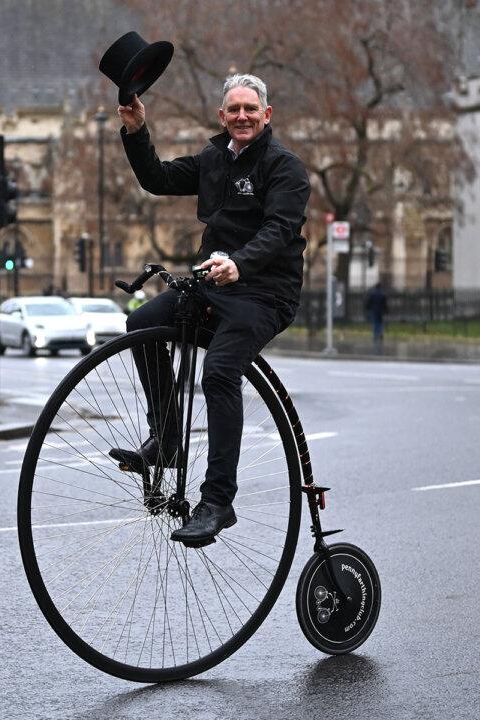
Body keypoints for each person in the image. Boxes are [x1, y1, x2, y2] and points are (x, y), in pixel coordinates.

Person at [110, 73, 311, 546]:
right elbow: (156, 178)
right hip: (212, 283)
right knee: (142, 322)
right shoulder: (214, 159)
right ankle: (168, 440)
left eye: (251, 109)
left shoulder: (286, 168)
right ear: (222, 117)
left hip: (264, 292)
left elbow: (280, 229)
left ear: (267, 115)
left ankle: (218, 502)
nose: (242, 116)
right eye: (233, 109)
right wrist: (137, 130)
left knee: (220, 370)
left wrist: (239, 263)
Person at [365, 282, 387, 348]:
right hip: (380, 311)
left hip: (374, 310)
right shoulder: (382, 294)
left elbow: (369, 302)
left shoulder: (373, 294)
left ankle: (375, 335)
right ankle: (380, 333)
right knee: (380, 323)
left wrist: (367, 308)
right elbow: (384, 304)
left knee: (375, 323)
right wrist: (386, 311)